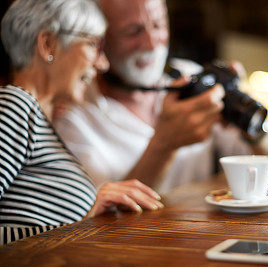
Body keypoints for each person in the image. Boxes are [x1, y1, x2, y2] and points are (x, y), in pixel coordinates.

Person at [0, 0, 163, 245]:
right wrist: (74, 225)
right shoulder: (16, 105)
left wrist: (90, 211)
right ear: (48, 44)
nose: (103, 63)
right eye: (93, 44)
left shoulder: (35, 118)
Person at [54, 0, 257, 194]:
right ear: (100, 41)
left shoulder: (191, 78)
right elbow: (99, 220)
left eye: (158, 25)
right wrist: (164, 144)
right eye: (133, 31)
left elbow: (261, 165)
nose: (151, 44)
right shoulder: (73, 116)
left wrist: (250, 121)